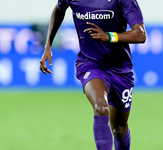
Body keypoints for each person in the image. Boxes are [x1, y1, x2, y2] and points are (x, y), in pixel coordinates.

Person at [40, 0, 146, 149]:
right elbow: (59, 9)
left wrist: (110, 36)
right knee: (100, 107)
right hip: (90, 63)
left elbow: (140, 34)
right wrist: (48, 45)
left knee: (119, 129)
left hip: (120, 69)